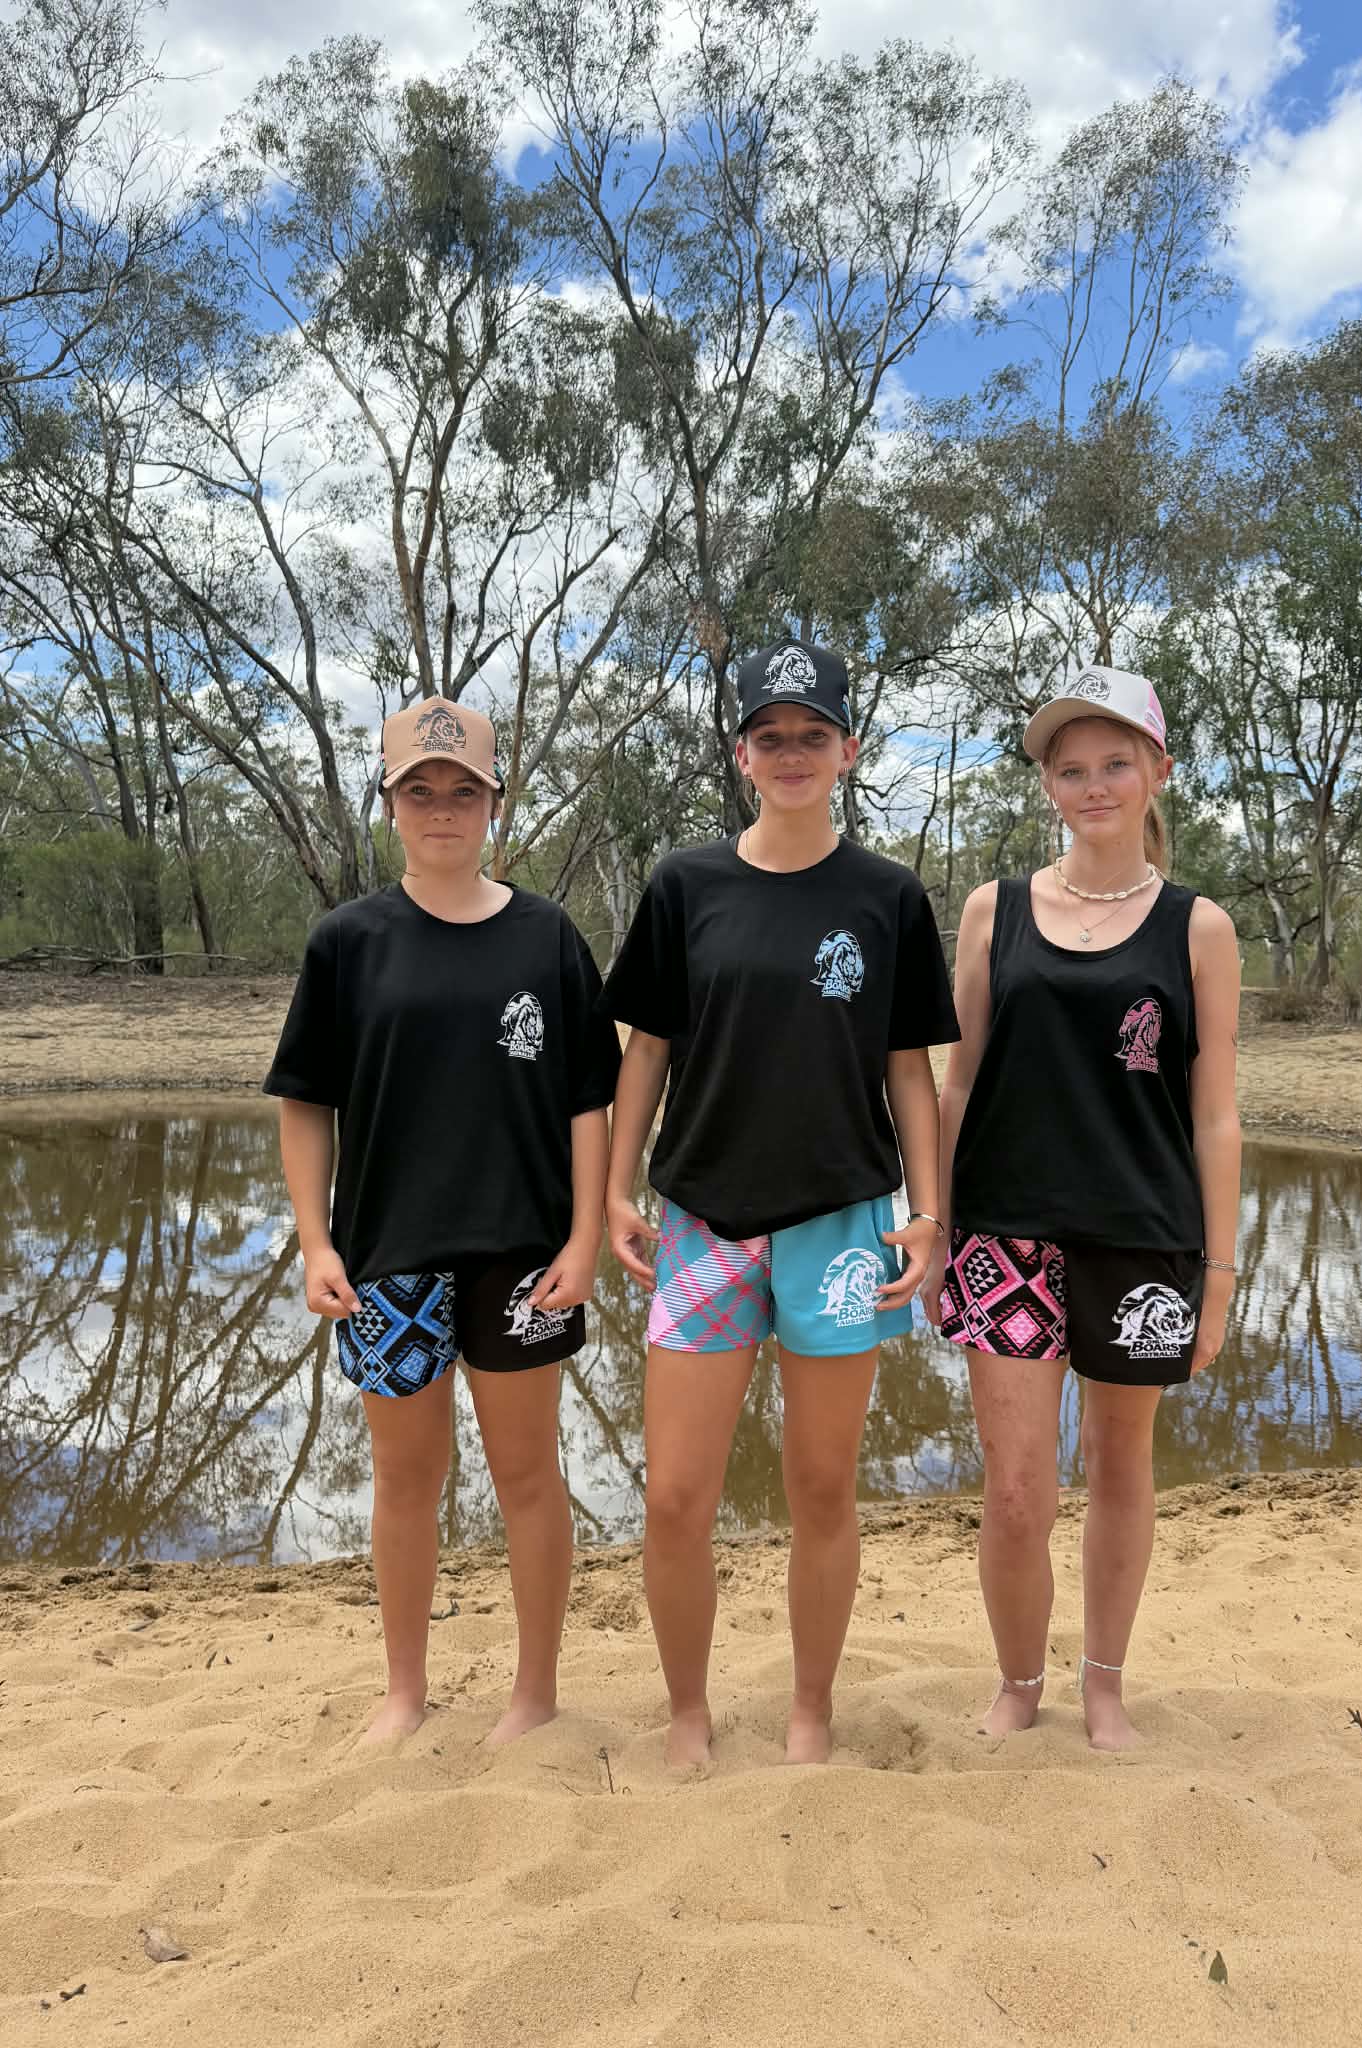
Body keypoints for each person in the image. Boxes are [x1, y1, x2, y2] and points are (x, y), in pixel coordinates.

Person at [603, 639, 960, 1766]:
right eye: (772, 735)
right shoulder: (685, 884)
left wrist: (930, 1211)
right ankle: (687, 1712)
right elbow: (647, 1046)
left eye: (814, 734)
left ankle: (811, 1712)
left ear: (849, 749)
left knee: (821, 1486)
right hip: (704, 1217)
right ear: (742, 751)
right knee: (675, 1496)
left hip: (844, 1224)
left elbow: (911, 1067)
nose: (792, 752)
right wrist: (616, 1186)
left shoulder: (889, 896)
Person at [264, 699, 620, 1745]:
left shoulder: (548, 936)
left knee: (526, 1474)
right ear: (390, 804)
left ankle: (536, 1687)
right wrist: (316, 1240)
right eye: (420, 790)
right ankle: (406, 1688)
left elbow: (587, 1104)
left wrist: (585, 1236)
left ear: (495, 803)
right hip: (387, 1255)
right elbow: (304, 1102)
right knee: (404, 1481)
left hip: (524, 1254)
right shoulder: (347, 943)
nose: (442, 809)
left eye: (463, 790)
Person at [921, 665, 1241, 1751]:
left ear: (1158, 771)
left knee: (1119, 1465)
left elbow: (1215, 1115)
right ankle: (1020, 1680)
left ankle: (1104, 1683)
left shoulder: (1199, 927)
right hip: (1003, 1233)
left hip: (1144, 1235)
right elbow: (954, 1081)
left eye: (1115, 762)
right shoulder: (991, 910)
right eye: (1071, 767)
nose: (1094, 784)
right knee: (1015, 1490)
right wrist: (934, 1227)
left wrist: (1222, 1276)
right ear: (1048, 784)